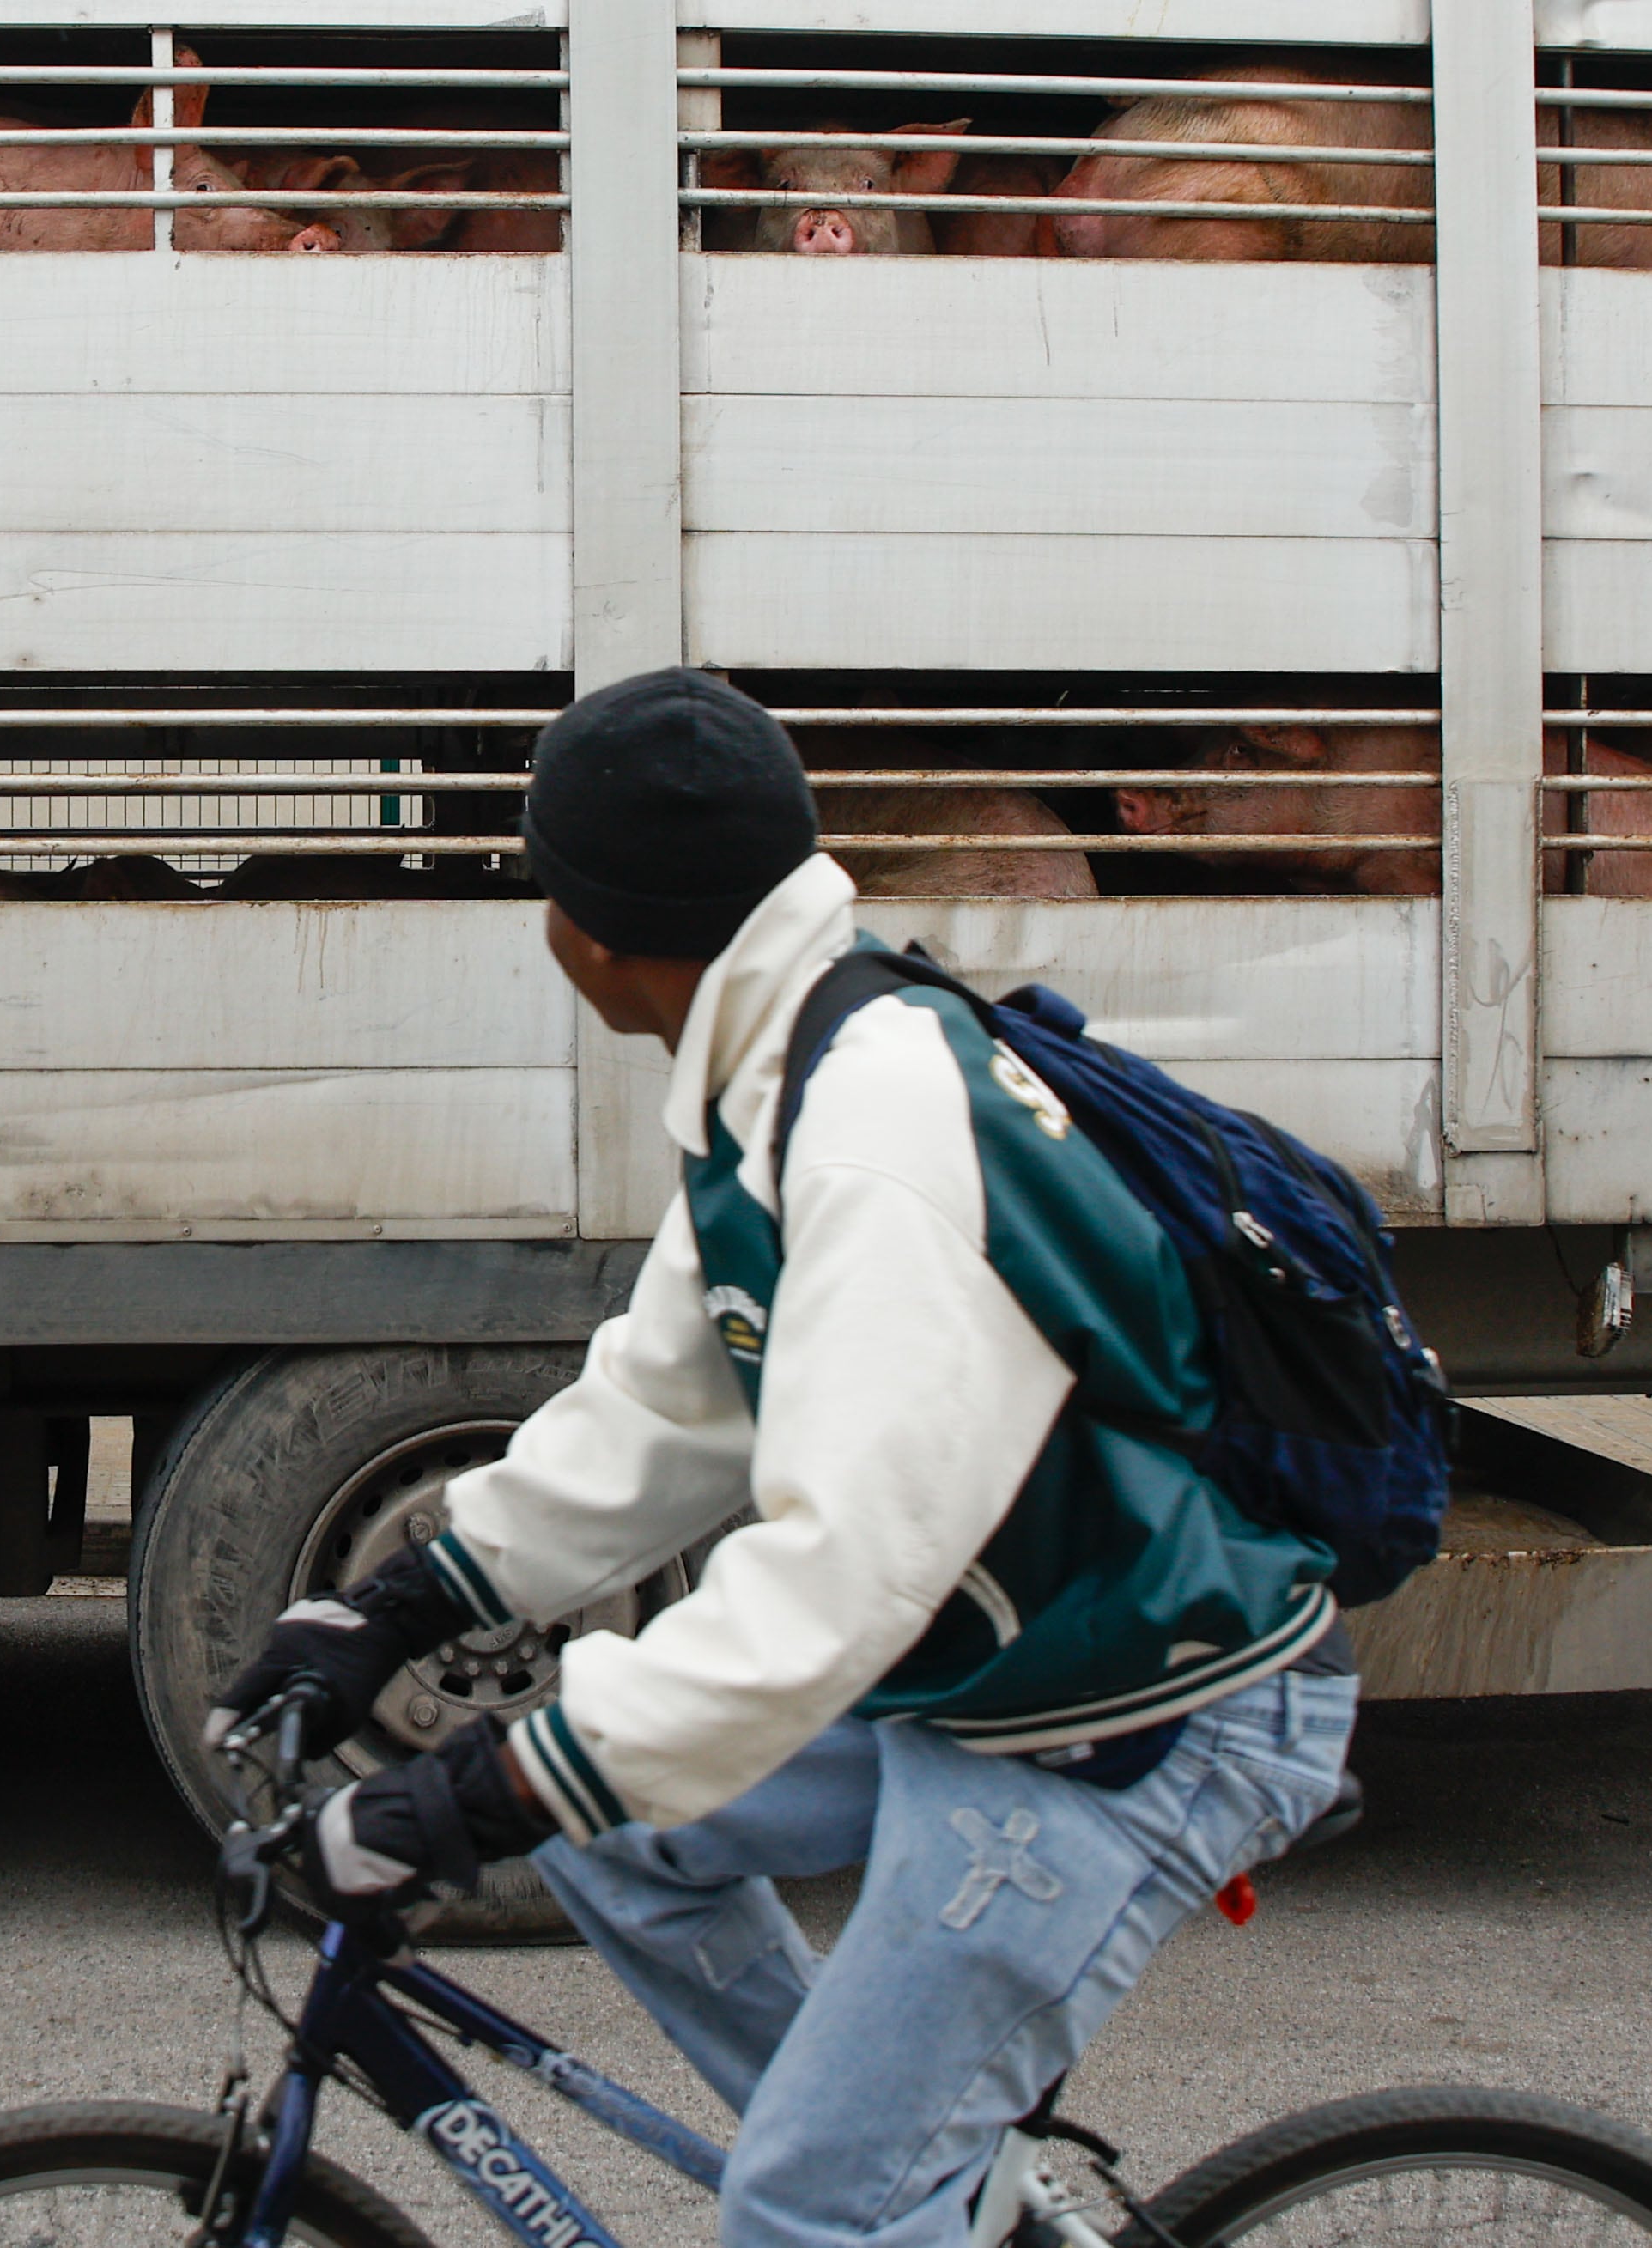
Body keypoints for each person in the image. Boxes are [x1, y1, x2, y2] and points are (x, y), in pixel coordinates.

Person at [210, 667, 1358, 2248]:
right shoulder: (789, 1056)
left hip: (1139, 1710)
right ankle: (921, 2182)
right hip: (1010, 1659)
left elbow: (840, 1569)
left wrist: (492, 1782)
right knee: (617, 1842)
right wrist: (400, 1605)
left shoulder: (873, 1119)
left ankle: (860, 2190)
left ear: (596, 931)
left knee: (804, 2202)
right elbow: (671, 1403)